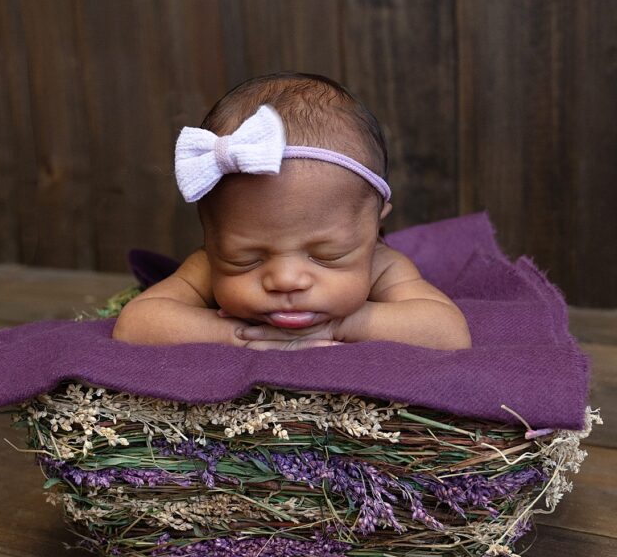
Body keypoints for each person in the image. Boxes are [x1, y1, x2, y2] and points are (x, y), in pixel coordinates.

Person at [113, 72, 471, 351]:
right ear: (212, 236)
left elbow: (447, 330)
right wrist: (236, 334)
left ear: (373, 229)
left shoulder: (382, 264)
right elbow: (136, 324)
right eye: (246, 259)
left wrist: (341, 327)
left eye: (327, 255)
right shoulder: (208, 265)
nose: (286, 280)